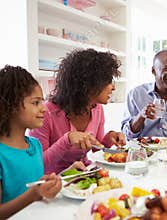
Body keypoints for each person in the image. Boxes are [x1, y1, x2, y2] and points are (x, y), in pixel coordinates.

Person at [30, 49, 126, 174]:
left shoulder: (97, 109)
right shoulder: (46, 113)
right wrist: (67, 140)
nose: (113, 87)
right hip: (54, 182)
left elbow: (96, 149)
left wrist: (109, 138)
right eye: (108, 81)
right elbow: (37, 166)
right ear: (88, 84)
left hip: (84, 175)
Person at [0, 65, 62, 218]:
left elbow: (36, 186)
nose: (44, 109)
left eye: (42, 102)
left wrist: (49, 183)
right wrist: (33, 195)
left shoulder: (35, 145)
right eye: (35, 103)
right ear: (10, 106)